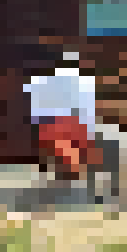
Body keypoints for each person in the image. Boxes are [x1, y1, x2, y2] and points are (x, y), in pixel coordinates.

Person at [25, 51, 105, 205]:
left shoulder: (46, 84)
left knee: (72, 149)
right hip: (63, 127)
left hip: (72, 127)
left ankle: (80, 185)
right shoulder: (44, 85)